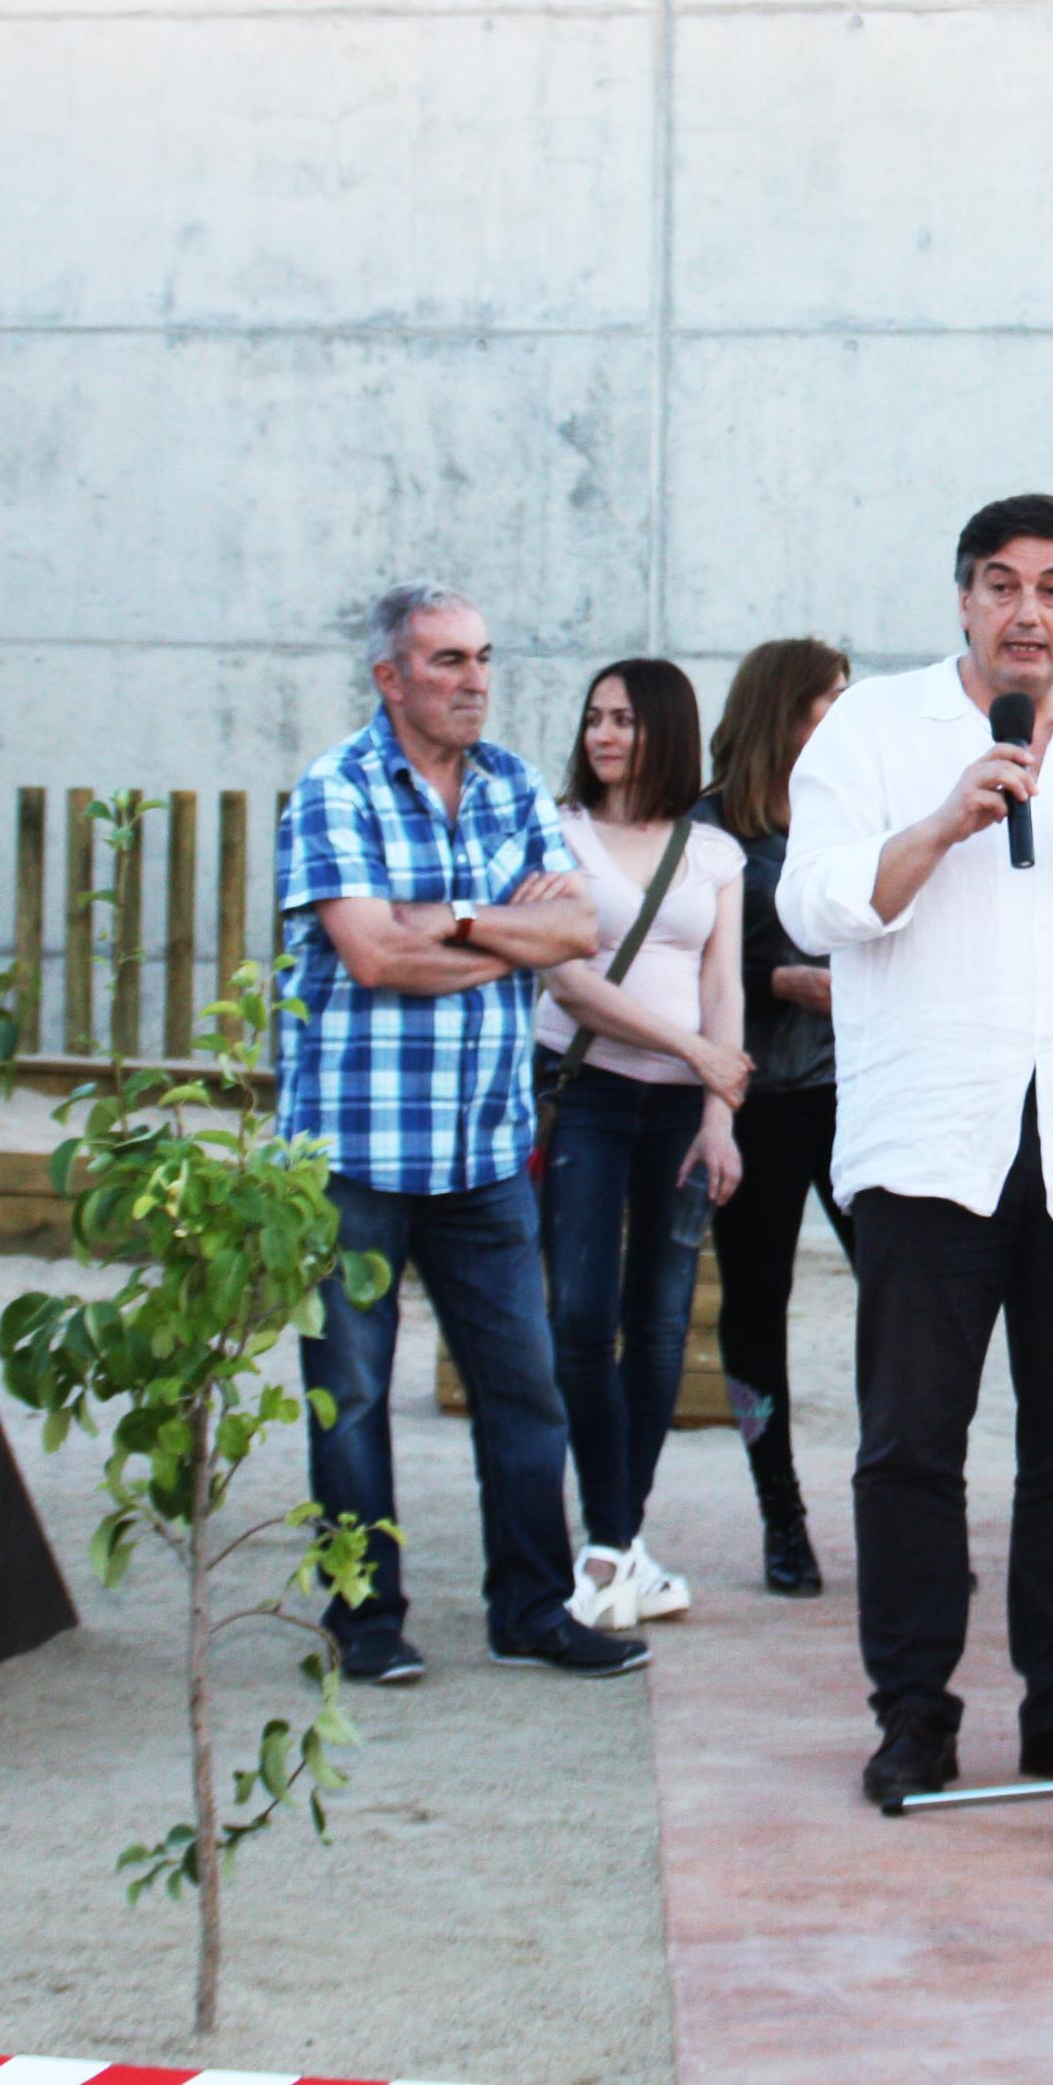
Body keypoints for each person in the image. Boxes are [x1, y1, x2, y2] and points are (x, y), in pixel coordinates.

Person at [779, 495, 1053, 1806]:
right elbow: (812, 903)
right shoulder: (876, 725)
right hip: (932, 1138)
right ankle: (913, 1712)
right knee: (912, 1442)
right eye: (1001, 584)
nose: (1027, 611)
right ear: (964, 598)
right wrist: (939, 825)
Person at [276, 583, 635, 1685]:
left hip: (483, 1152)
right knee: (351, 1402)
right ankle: (365, 1622)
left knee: (524, 1393)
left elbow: (580, 928)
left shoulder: (513, 783)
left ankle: (530, 1611)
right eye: (447, 661)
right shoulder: (334, 790)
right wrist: (508, 937)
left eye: (482, 657)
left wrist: (463, 919)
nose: (474, 679)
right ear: (389, 678)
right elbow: (374, 954)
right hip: (352, 1154)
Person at [527, 658, 750, 1632]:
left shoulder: (713, 852)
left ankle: (615, 1541)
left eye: (623, 718)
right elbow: (566, 979)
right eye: (594, 718)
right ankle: (616, 1545)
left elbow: (723, 985)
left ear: (666, 729)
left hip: (680, 1113)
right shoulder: (557, 834)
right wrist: (696, 1051)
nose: (604, 735)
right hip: (583, 1093)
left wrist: (717, 1112)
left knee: (660, 1322)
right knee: (579, 1313)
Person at [699, 635, 856, 1599]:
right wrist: (776, 982)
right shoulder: (710, 828)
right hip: (754, 1096)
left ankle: (905, 1502)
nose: (845, 712)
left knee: (908, 1299)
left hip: (854, 1091)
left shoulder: (853, 812)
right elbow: (680, 960)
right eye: (830, 697)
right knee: (756, 1308)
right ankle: (781, 1515)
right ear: (784, 709)